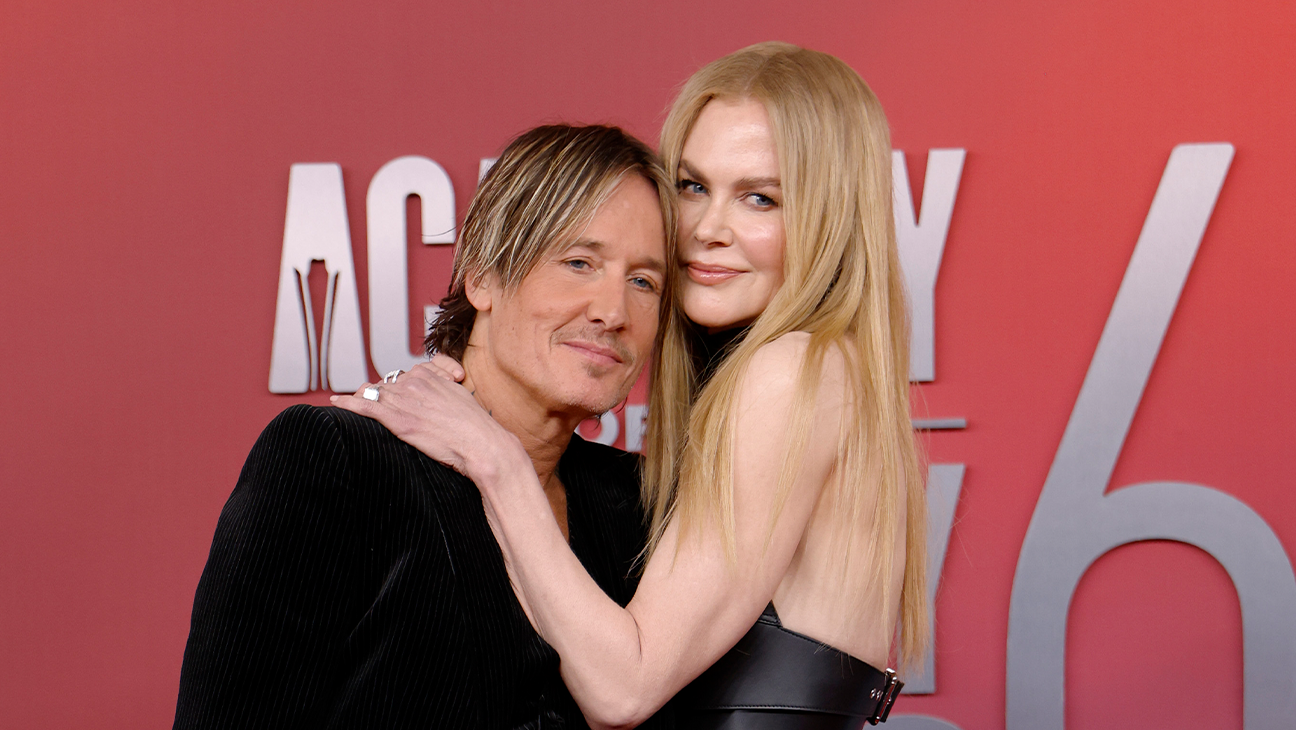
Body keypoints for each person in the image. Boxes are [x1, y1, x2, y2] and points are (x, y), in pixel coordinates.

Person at [340, 42, 927, 729]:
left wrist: (491, 454)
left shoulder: (792, 371)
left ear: (831, 220)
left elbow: (622, 688)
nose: (706, 230)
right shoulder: (829, 376)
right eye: (692, 187)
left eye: (760, 198)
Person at [173, 124, 678, 729]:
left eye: (644, 282)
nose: (613, 312)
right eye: (578, 263)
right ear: (483, 274)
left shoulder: (642, 504)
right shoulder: (338, 461)